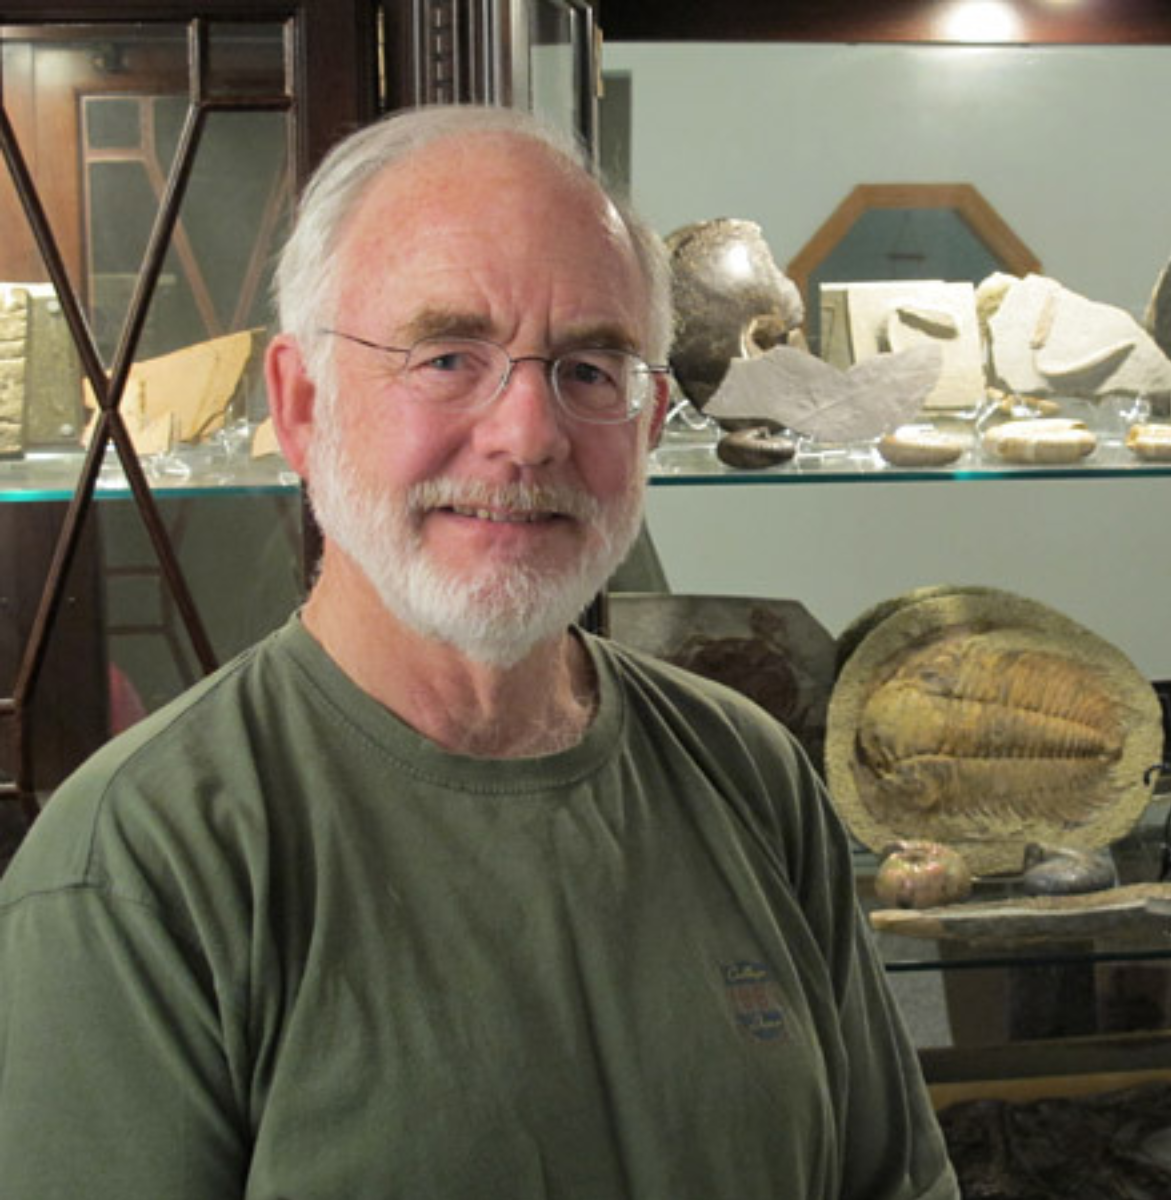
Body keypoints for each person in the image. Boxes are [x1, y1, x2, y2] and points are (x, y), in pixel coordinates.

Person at [0, 104, 957, 1199]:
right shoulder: (140, 867)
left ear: (646, 431)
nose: (528, 433)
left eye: (590, 370)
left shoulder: (751, 774)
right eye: (449, 356)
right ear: (301, 407)